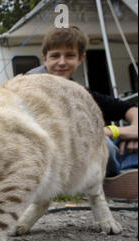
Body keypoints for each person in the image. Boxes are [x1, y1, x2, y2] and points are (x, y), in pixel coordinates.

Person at [26, 26, 138, 199]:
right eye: (55, 56)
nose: (62, 62)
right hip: (50, 158)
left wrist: (119, 132)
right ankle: (116, 176)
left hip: (82, 153)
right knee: (102, 143)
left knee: (115, 139)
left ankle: (119, 175)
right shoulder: (32, 87)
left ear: (81, 59)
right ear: (45, 59)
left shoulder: (80, 92)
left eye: (69, 55)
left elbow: (129, 110)